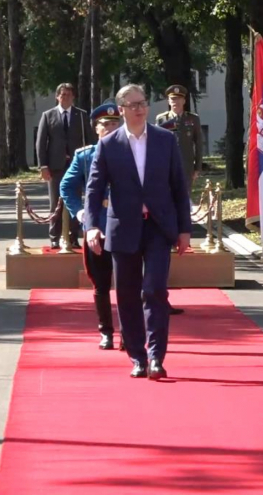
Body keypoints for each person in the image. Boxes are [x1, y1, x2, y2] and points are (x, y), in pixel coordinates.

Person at [85, 84, 191, 380]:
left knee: (154, 290)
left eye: (143, 103)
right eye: (132, 105)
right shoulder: (109, 145)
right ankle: (138, 357)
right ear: (121, 110)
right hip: (123, 228)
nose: (140, 108)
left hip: (158, 226)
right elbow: (94, 189)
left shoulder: (165, 140)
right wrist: (92, 226)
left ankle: (157, 356)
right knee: (128, 295)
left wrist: (184, 229)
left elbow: (179, 187)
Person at [60, 103, 123, 351]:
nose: (109, 129)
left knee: (129, 283)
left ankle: (128, 331)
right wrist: (79, 211)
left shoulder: (131, 152)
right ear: (96, 129)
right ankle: (106, 331)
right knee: (100, 283)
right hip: (96, 226)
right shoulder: (85, 156)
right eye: (104, 125)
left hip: (125, 227)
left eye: (113, 125)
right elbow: (66, 186)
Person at [35, 83, 97, 249]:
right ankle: (55, 237)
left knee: (75, 202)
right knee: (55, 202)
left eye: (69, 95)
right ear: (57, 97)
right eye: (63, 95)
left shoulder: (82, 115)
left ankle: (73, 236)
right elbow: (41, 143)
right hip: (55, 166)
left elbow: (90, 141)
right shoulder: (48, 115)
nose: (66, 98)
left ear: (73, 97)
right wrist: (43, 166)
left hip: (77, 167)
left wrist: (91, 165)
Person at [156, 84, 204, 189]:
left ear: (184, 101)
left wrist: (197, 168)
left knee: (184, 198)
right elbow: (156, 145)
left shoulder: (193, 119)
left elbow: (199, 144)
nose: (175, 102)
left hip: (186, 166)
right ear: (168, 101)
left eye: (179, 99)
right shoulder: (162, 119)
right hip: (167, 166)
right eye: (173, 99)